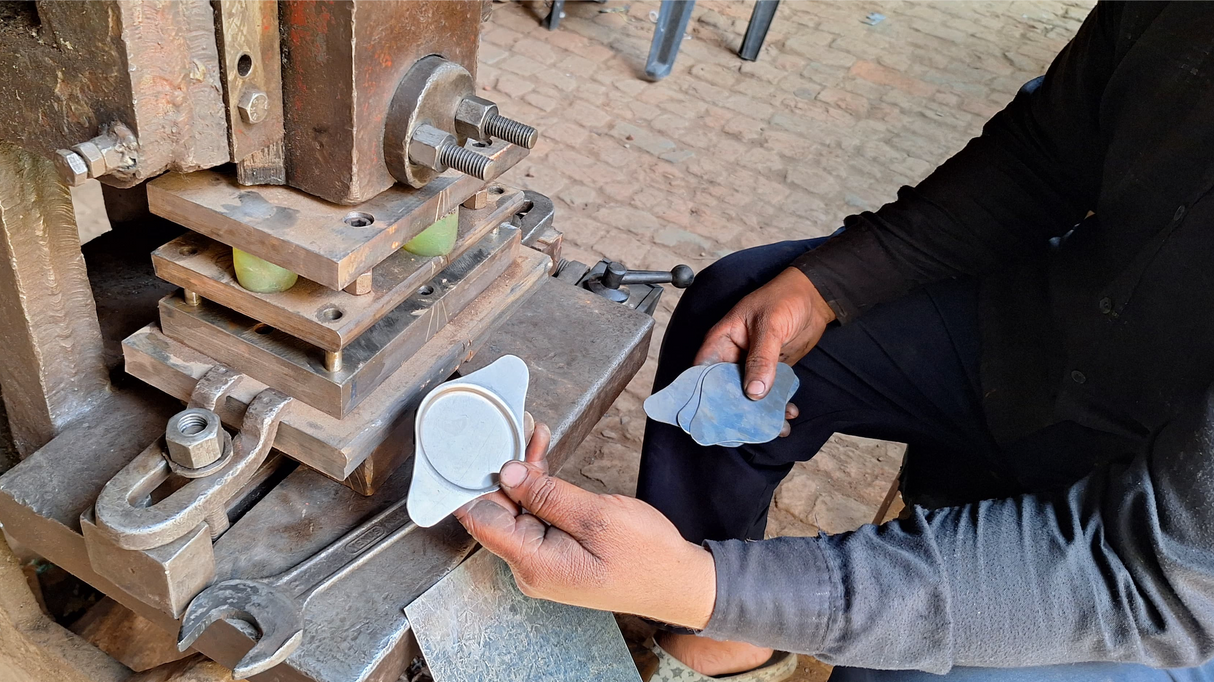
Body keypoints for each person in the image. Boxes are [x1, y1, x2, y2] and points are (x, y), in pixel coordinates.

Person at [456, 2, 1214, 680]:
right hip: (1055, 334)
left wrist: (701, 581)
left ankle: (703, 599)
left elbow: (1144, 572)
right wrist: (830, 283)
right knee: (737, 314)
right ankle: (726, 647)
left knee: (893, 670)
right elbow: (1047, 155)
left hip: (1169, 567)